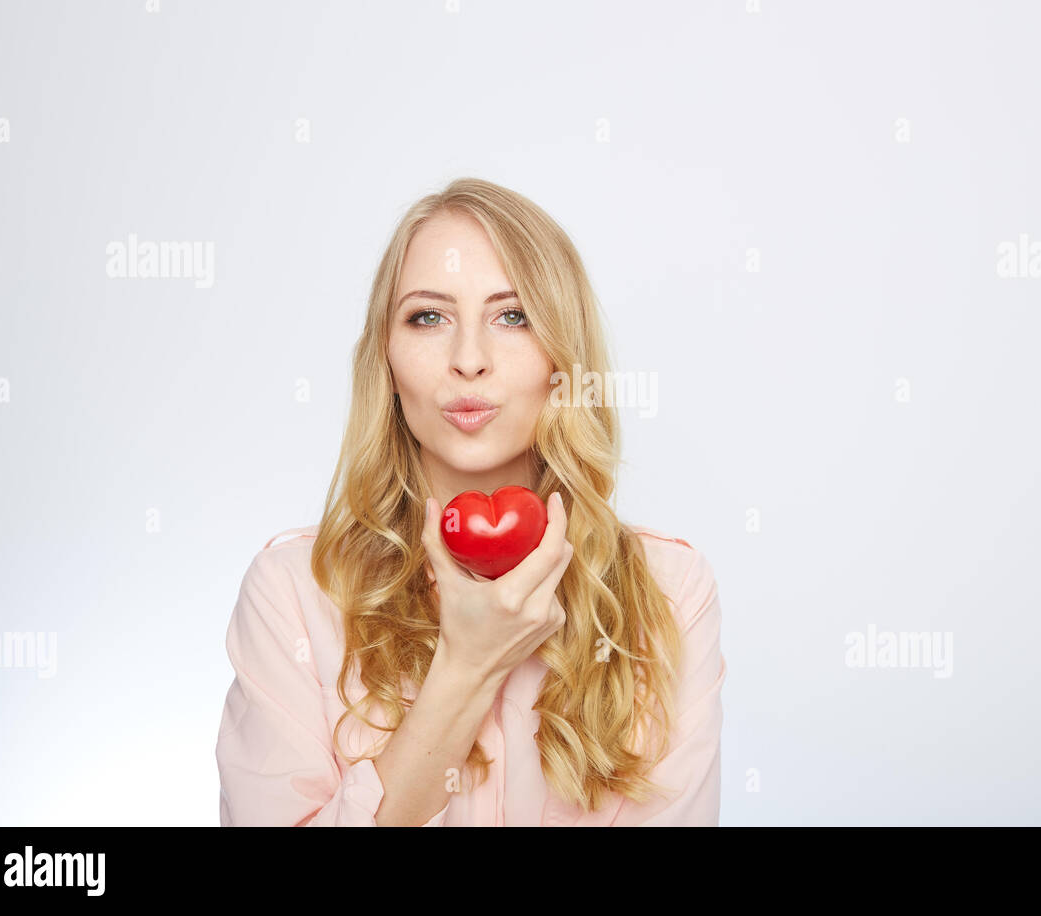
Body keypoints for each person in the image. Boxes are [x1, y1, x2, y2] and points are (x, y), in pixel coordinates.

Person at [214, 178, 726, 826]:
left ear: (562, 360)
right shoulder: (293, 593)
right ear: (388, 360)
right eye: (429, 317)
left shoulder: (671, 593)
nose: (469, 360)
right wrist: (468, 665)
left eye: (513, 316)